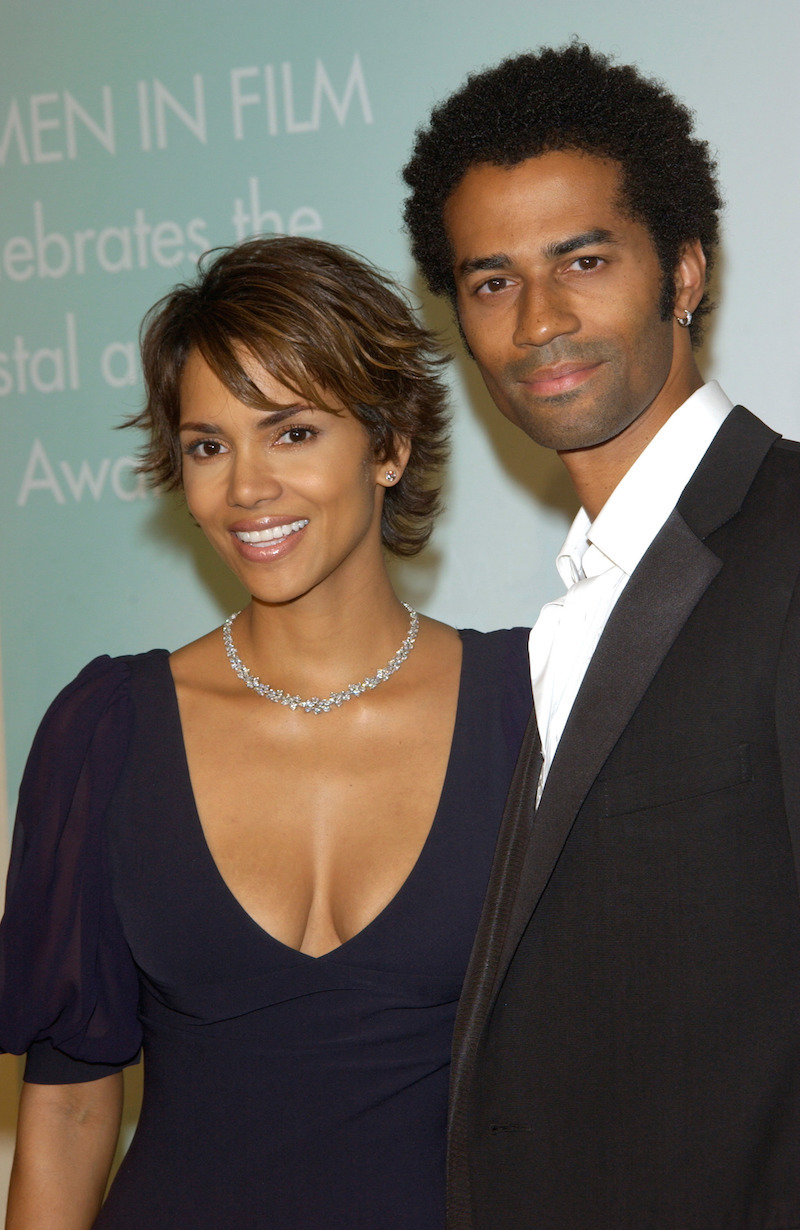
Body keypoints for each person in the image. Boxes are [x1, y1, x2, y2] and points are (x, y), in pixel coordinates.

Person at [0, 236, 532, 1229]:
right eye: (208, 445)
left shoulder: (530, 709)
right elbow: (69, 1115)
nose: (244, 488)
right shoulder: (105, 732)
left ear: (388, 445)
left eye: (289, 432)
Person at [402, 42, 800, 1230]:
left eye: (581, 260)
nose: (539, 321)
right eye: (490, 281)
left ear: (682, 271)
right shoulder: (579, 597)